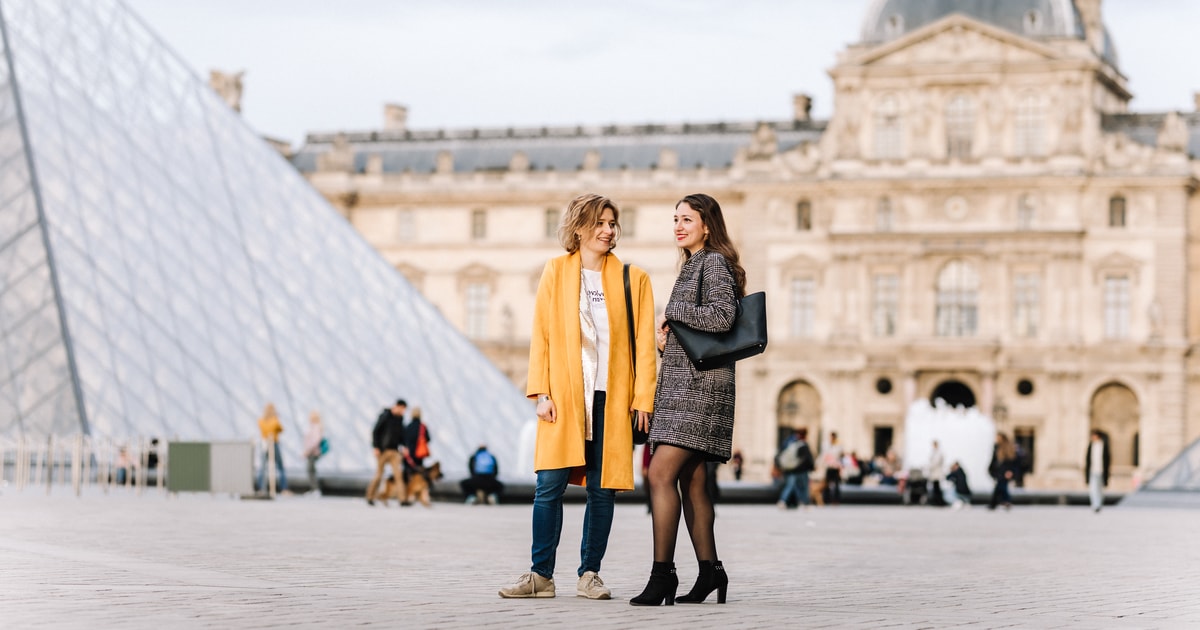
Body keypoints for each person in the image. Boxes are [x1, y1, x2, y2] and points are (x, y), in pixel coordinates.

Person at [499, 193, 657, 601]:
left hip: (611, 397)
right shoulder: (554, 272)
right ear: (579, 228)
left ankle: (590, 573)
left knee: (602, 490)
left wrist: (643, 399)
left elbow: (643, 345)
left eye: (612, 223)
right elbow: (543, 337)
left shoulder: (632, 279)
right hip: (565, 399)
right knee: (548, 486)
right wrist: (541, 392)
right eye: (601, 223)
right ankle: (540, 575)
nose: (609, 230)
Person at [631, 193, 744, 607]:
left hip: (698, 391)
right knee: (692, 482)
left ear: (707, 225)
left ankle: (663, 575)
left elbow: (721, 317)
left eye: (687, 219)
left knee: (658, 475)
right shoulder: (693, 263)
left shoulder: (711, 262)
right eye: (675, 219)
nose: (678, 226)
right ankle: (711, 571)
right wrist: (668, 343)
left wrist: (674, 311)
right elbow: (702, 334)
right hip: (689, 384)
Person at [366, 400, 407, 506]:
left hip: (394, 451)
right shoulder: (385, 416)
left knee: (398, 475)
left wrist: (404, 446)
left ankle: (402, 499)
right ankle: (370, 496)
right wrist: (376, 447)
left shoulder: (400, 419)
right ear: (398, 406)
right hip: (383, 451)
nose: (403, 412)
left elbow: (401, 435)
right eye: (402, 409)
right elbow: (376, 431)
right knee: (379, 474)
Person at [775, 428, 814, 509]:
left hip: (792, 470)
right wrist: (811, 467)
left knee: (790, 486)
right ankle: (805, 503)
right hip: (802, 470)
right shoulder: (803, 445)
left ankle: (783, 501)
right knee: (803, 487)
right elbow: (807, 459)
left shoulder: (792, 444)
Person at [255, 403, 288, 494]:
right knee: (280, 467)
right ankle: (284, 488)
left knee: (263, 467)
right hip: (274, 443)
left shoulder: (261, 420)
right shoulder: (275, 420)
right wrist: (276, 419)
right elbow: (280, 429)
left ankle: (261, 488)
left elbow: (264, 430)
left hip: (264, 444)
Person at [403, 406, 433, 492]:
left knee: (408, 474)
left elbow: (403, 439)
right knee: (419, 474)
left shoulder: (408, 426)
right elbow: (428, 439)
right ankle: (419, 492)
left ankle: (407, 492)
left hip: (408, 454)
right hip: (419, 454)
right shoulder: (422, 427)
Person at [988, 432, 1019, 510]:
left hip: (1005, 471)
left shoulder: (1008, 448)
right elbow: (994, 460)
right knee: (1000, 486)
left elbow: (1012, 461)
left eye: (998, 438)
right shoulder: (997, 447)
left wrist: (1010, 471)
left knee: (1001, 486)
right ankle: (999, 502)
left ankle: (1000, 502)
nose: (996, 439)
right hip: (999, 471)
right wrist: (991, 469)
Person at [1084, 430, 1110, 513]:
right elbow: (1088, 459)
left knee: (1100, 489)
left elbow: (1107, 459)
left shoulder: (1104, 446)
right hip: (1092, 470)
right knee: (1093, 488)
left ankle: (1099, 504)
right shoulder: (1091, 446)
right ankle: (1095, 505)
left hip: (1101, 471)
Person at [302, 411, 324, 496]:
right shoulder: (314, 427)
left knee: (310, 470)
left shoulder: (316, 427)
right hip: (311, 451)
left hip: (313, 452)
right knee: (311, 470)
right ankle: (313, 489)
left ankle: (315, 489)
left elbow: (316, 441)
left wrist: (308, 450)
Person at [820, 431, 844, 505]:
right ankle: (826, 499)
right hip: (829, 466)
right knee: (826, 484)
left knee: (836, 484)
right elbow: (824, 455)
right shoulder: (826, 445)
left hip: (835, 467)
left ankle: (836, 500)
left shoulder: (839, 445)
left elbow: (839, 455)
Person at [927, 440, 947, 507]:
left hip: (936, 472)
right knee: (935, 487)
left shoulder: (938, 453)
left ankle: (938, 501)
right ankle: (936, 501)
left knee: (937, 487)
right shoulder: (934, 452)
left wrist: (929, 467)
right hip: (934, 472)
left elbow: (936, 463)